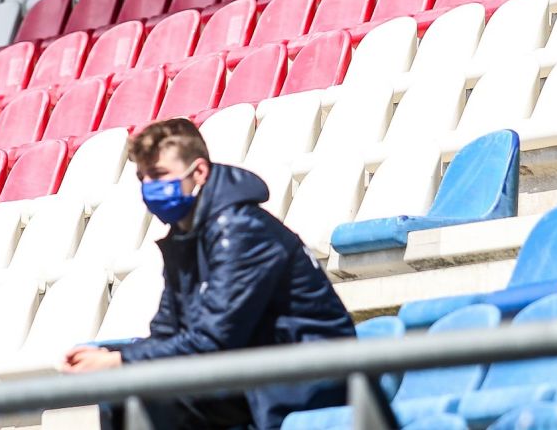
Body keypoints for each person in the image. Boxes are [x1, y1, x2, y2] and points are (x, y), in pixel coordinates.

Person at [62, 118, 356, 430]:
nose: (150, 187)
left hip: (306, 373)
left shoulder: (241, 229)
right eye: (143, 177)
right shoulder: (187, 232)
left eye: (159, 175)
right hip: (250, 366)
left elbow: (214, 339)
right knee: (120, 386)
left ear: (199, 172)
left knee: (148, 393)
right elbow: (168, 331)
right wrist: (109, 354)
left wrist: (120, 360)